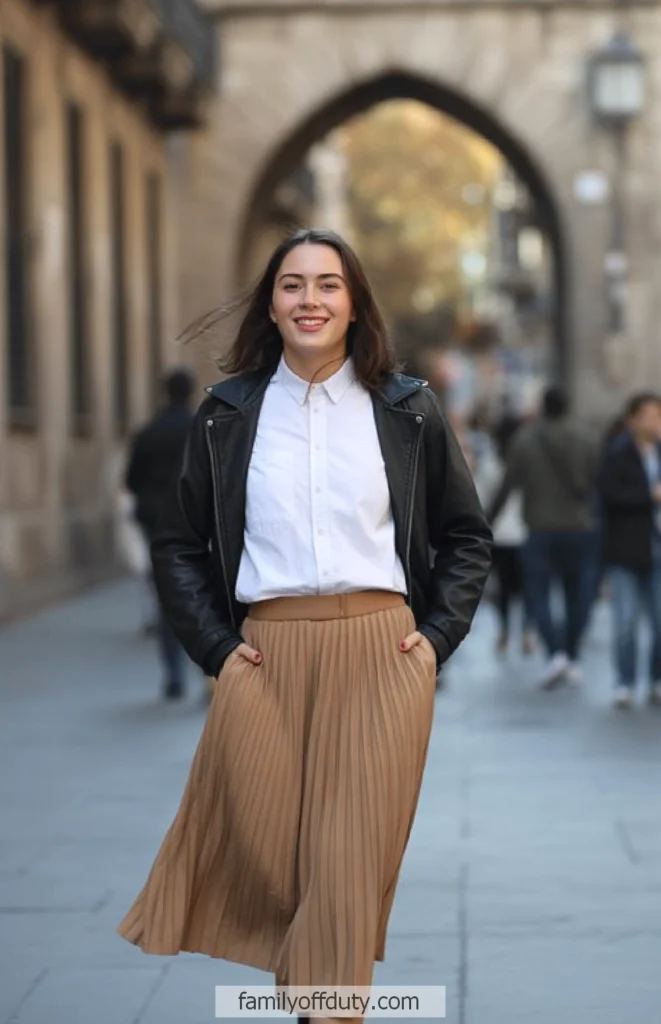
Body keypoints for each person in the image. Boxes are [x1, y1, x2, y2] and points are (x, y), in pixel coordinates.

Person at [116, 228, 492, 1018]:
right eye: (292, 285)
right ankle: (317, 1000)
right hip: (264, 655)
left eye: (327, 285)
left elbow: (465, 536)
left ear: (354, 305)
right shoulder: (226, 414)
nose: (309, 299)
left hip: (381, 649)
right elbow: (178, 544)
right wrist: (217, 650)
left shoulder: (407, 409)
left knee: (345, 863)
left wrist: (434, 642)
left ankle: (326, 1011)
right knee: (272, 866)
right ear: (271, 303)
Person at [486, 385, 598, 689]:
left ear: (543, 408)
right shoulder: (587, 440)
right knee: (578, 596)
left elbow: (507, 487)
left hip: (539, 529)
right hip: (579, 528)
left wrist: (485, 524)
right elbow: (597, 484)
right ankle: (571, 654)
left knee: (537, 595)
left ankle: (554, 652)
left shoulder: (524, 441)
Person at [125, 367, 197, 700]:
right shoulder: (202, 427)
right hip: (196, 522)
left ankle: (173, 675)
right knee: (202, 595)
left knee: (169, 595)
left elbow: (131, 481)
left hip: (157, 523)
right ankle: (210, 676)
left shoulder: (148, 432)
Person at [597, 392, 661, 710]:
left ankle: (656, 680)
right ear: (634, 419)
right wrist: (649, 495)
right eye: (650, 415)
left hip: (657, 548)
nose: (656, 422)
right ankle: (625, 682)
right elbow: (610, 495)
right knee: (625, 622)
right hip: (626, 550)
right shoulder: (618, 452)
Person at [474, 413, 535, 656]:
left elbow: (482, 496)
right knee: (528, 586)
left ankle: (504, 632)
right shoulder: (528, 459)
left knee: (504, 588)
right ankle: (528, 633)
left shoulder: (490, 461)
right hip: (526, 530)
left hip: (498, 534)